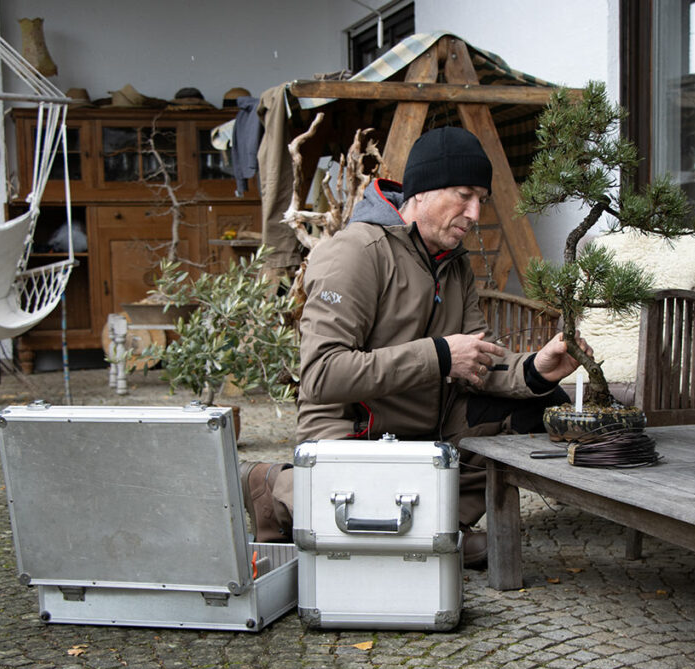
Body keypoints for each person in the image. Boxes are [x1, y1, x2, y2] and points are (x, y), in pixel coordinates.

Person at [241, 126, 587, 567]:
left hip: (430, 432)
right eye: (464, 195)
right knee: (363, 538)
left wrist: (535, 369)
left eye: (481, 199)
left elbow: (477, 357)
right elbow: (321, 374)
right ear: (421, 192)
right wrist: (438, 355)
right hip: (356, 434)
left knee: (538, 408)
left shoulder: (455, 264)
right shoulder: (356, 252)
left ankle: (443, 523)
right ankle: (277, 488)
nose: (474, 213)